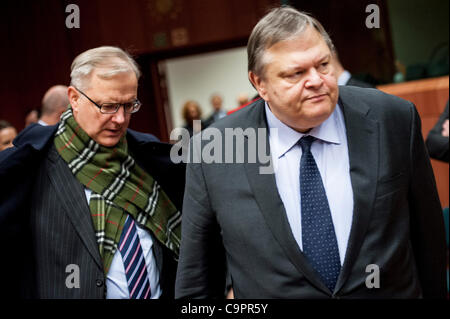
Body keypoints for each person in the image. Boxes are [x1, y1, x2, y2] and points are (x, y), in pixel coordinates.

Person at [175, 6, 446, 298]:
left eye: (323, 64)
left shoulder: (391, 118)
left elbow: (428, 240)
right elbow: (197, 279)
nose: (316, 80)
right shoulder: (215, 150)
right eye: (296, 73)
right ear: (259, 83)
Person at [0, 46, 185, 299]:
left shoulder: (149, 158)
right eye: (108, 106)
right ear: (74, 98)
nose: (120, 118)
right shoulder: (30, 166)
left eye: (129, 105)